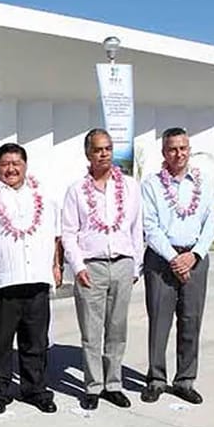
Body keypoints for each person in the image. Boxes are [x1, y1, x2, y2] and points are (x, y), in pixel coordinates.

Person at [0, 143, 62, 415]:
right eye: (5, 164)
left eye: (16, 163)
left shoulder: (42, 196)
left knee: (36, 341)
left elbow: (55, 236)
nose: (11, 169)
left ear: (25, 165)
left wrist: (56, 265)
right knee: (0, 342)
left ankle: (35, 389)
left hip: (37, 280)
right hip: (2, 283)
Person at [61, 129, 143, 411]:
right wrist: (77, 266)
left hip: (122, 264)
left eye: (107, 148)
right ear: (88, 154)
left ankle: (114, 384)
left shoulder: (130, 187)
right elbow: (68, 232)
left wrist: (135, 265)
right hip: (91, 267)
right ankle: (93, 386)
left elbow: (137, 228)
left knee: (117, 328)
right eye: (98, 149)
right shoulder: (76, 190)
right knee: (91, 331)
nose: (104, 154)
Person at [140, 127, 214, 405]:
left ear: (189, 150)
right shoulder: (151, 185)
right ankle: (156, 379)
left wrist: (194, 255)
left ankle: (185, 380)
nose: (179, 154)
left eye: (183, 148)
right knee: (159, 321)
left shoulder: (205, 183)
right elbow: (150, 226)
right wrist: (174, 258)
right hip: (161, 261)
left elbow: (211, 223)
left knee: (191, 320)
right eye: (172, 149)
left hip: (195, 259)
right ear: (164, 152)